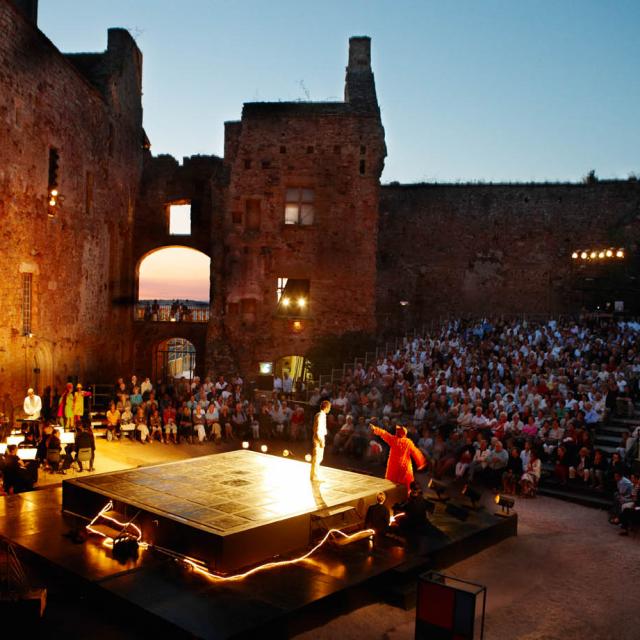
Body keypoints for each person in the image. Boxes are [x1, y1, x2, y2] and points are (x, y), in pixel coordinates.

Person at [370, 422, 427, 493]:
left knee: (390, 485)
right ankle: (404, 498)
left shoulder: (393, 440)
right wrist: (421, 463)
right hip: (405, 468)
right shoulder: (408, 443)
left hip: (394, 467)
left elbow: (384, 434)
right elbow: (416, 452)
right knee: (405, 487)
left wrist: (375, 429)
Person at [310, 400, 331, 481]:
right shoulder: (321, 416)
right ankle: (314, 476)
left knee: (319, 457)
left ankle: (315, 475)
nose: (329, 409)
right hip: (319, 438)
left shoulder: (320, 415)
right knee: (317, 457)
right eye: (329, 407)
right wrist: (321, 439)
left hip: (319, 437)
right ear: (326, 407)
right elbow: (318, 428)